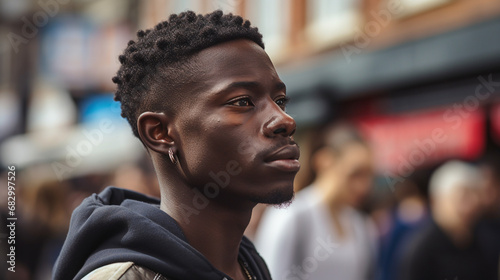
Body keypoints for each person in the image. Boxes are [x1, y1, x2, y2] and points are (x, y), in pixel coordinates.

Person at [53, 10, 300, 280]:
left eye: (280, 101)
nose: (284, 120)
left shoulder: (250, 266)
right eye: (242, 102)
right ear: (160, 133)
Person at [254, 123, 377, 280]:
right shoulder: (292, 215)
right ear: (324, 161)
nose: (364, 186)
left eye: (369, 175)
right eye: (356, 173)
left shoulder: (361, 225)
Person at [400, 160, 495, 280]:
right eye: (463, 196)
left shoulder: (484, 243)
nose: (472, 203)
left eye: (475, 195)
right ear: (437, 200)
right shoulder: (420, 249)